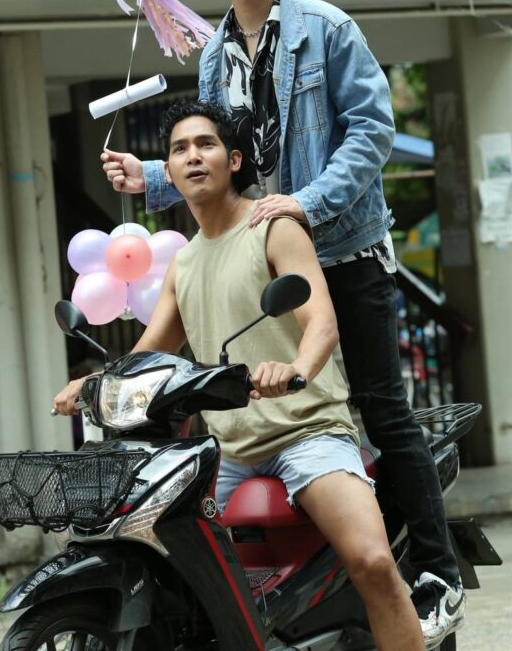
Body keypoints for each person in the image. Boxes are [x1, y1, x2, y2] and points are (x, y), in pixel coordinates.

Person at [100, 0, 465, 648]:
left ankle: (437, 574)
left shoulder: (325, 29)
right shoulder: (214, 58)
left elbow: (372, 131)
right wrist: (152, 177)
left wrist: (305, 202)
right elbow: (224, 155)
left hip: (342, 247)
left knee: (380, 405)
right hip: (262, 257)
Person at [56, 100, 423, 651]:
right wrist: (94, 384)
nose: (192, 156)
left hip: (307, 433)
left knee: (371, 561)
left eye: (205, 145)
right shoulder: (184, 263)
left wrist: (296, 369)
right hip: (226, 451)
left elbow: (321, 321)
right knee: (166, 569)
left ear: (232, 161)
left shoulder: (274, 228)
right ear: (169, 171)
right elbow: (150, 351)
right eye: (179, 149)